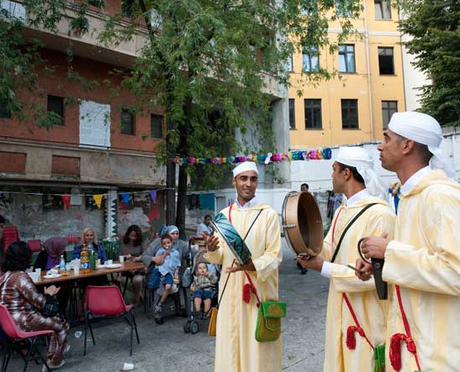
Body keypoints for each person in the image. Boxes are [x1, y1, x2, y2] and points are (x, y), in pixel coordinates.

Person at [356, 112, 460, 372]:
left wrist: (390, 252)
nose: (380, 146)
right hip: (411, 343)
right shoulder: (410, 197)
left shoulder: (440, 196)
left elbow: (455, 271)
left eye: (386, 138)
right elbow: (417, 258)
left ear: (406, 145)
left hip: (437, 353)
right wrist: (379, 264)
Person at [297, 146, 395, 372]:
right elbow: (330, 249)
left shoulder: (380, 214)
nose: (331, 175)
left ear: (346, 173)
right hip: (339, 308)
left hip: (367, 316)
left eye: (334, 169)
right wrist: (306, 246)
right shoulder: (342, 210)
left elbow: (380, 276)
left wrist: (323, 267)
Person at [205, 161, 282, 372]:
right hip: (230, 294)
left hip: (258, 293)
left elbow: (275, 255)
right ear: (234, 181)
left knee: (258, 351)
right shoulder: (223, 217)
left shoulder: (268, 215)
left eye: (253, 179)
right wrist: (211, 249)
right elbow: (220, 256)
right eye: (243, 178)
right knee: (230, 347)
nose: (248, 183)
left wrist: (252, 265)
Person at [0, 241, 69, 369]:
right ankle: (55, 361)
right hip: (23, 322)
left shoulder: (5, 276)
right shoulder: (21, 277)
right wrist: (49, 293)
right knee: (62, 323)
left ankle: (52, 354)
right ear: (25, 257)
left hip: (8, 324)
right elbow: (40, 303)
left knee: (54, 320)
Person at [146, 234, 181, 323]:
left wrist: (176, 274)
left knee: (168, 287)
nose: (167, 245)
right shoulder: (160, 251)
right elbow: (158, 263)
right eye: (164, 243)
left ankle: (160, 305)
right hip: (160, 272)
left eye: (168, 243)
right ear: (162, 244)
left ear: (172, 242)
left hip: (169, 274)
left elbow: (177, 265)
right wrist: (164, 255)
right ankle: (157, 313)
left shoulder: (176, 253)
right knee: (159, 289)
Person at [34, 237, 71, 312]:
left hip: (60, 280)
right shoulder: (44, 254)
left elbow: (63, 267)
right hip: (45, 282)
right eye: (62, 247)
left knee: (66, 288)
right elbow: (36, 270)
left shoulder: (62, 254)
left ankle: (62, 310)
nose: (64, 249)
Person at [120, 225, 147, 306]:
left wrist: (135, 258)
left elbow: (146, 256)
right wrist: (125, 257)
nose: (133, 238)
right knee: (119, 280)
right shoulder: (124, 244)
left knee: (137, 280)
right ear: (128, 234)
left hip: (139, 269)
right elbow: (120, 257)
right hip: (127, 269)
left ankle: (136, 299)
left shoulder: (141, 243)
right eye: (131, 235)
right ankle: (140, 295)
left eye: (135, 236)